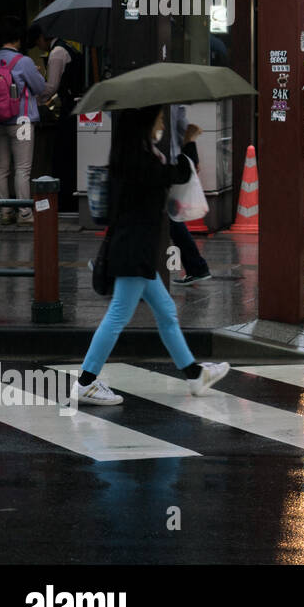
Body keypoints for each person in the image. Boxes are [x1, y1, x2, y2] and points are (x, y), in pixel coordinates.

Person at [70, 106, 229, 405]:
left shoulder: (131, 156)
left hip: (135, 249)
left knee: (166, 312)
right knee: (118, 315)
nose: (160, 125)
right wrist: (189, 143)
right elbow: (178, 174)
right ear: (143, 125)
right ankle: (86, 381)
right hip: (134, 251)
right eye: (157, 120)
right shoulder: (138, 161)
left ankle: (194, 374)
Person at [0, 18, 47, 225]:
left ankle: (4, 211)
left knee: (1, 167)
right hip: (22, 122)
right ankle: (25, 213)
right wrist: (38, 74)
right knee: (22, 168)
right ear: (19, 38)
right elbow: (40, 89)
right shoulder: (24, 62)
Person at [32, 25, 86, 213]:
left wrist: (36, 96)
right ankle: (70, 200)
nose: (38, 46)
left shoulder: (56, 53)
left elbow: (51, 87)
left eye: (37, 41)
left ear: (42, 37)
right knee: (72, 155)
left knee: (62, 156)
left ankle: (63, 202)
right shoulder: (70, 48)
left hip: (69, 109)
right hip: (78, 107)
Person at [167, 106, 212, 285]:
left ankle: (197, 266)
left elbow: (182, 127)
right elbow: (183, 127)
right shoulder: (175, 103)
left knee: (172, 219)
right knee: (172, 219)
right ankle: (197, 267)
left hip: (166, 164)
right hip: (174, 161)